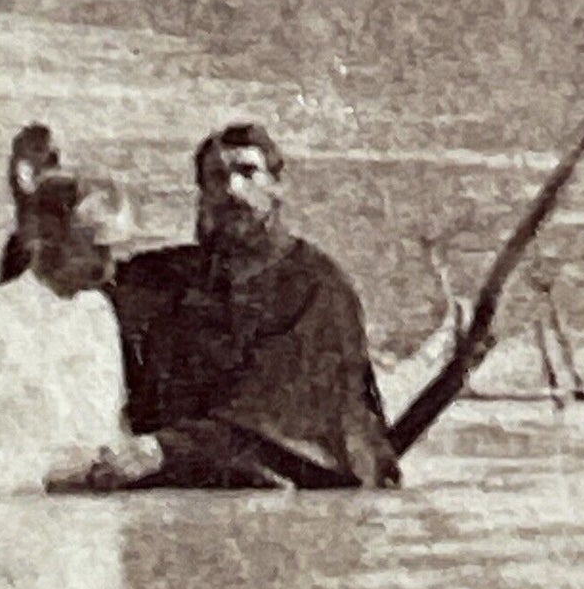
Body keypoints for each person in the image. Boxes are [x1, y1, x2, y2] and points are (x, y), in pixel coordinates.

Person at [95, 122, 402, 490]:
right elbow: (74, 279)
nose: (233, 190)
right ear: (202, 193)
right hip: (184, 476)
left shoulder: (318, 285)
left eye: (247, 172)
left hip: (298, 480)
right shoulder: (166, 277)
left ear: (276, 187)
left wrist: (163, 450)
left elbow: (275, 410)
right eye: (216, 177)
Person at [0, 177, 137, 496]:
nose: (110, 265)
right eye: (97, 247)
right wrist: (45, 475)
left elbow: (109, 427)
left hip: (95, 528)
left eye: (115, 248)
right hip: (17, 525)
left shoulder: (98, 314)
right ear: (49, 236)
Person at [0, 123, 68, 286]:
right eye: (39, 149)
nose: (49, 153)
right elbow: (31, 190)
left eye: (46, 148)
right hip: (35, 236)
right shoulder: (26, 172)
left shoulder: (44, 170)